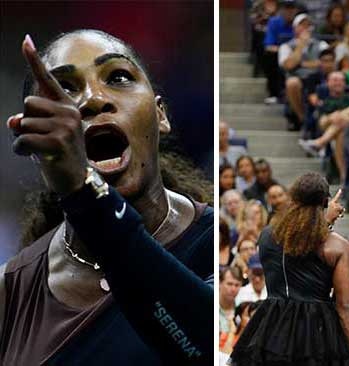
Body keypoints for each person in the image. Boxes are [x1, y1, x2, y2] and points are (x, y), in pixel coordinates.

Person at [2, 31, 213, 364]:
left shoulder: (217, 244)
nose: (92, 99)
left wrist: (87, 194)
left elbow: (205, 346)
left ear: (160, 115)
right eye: (64, 88)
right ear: (35, 143)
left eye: (118, 77)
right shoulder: (9, 293)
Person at [229, 173, 349, 366]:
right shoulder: (337, 246)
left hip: (271, 329)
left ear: (292, 198)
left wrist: (326, 220)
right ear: (326, 201)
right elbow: (347, 306)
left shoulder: (266, 235)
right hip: (316, 333)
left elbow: (297, 245)